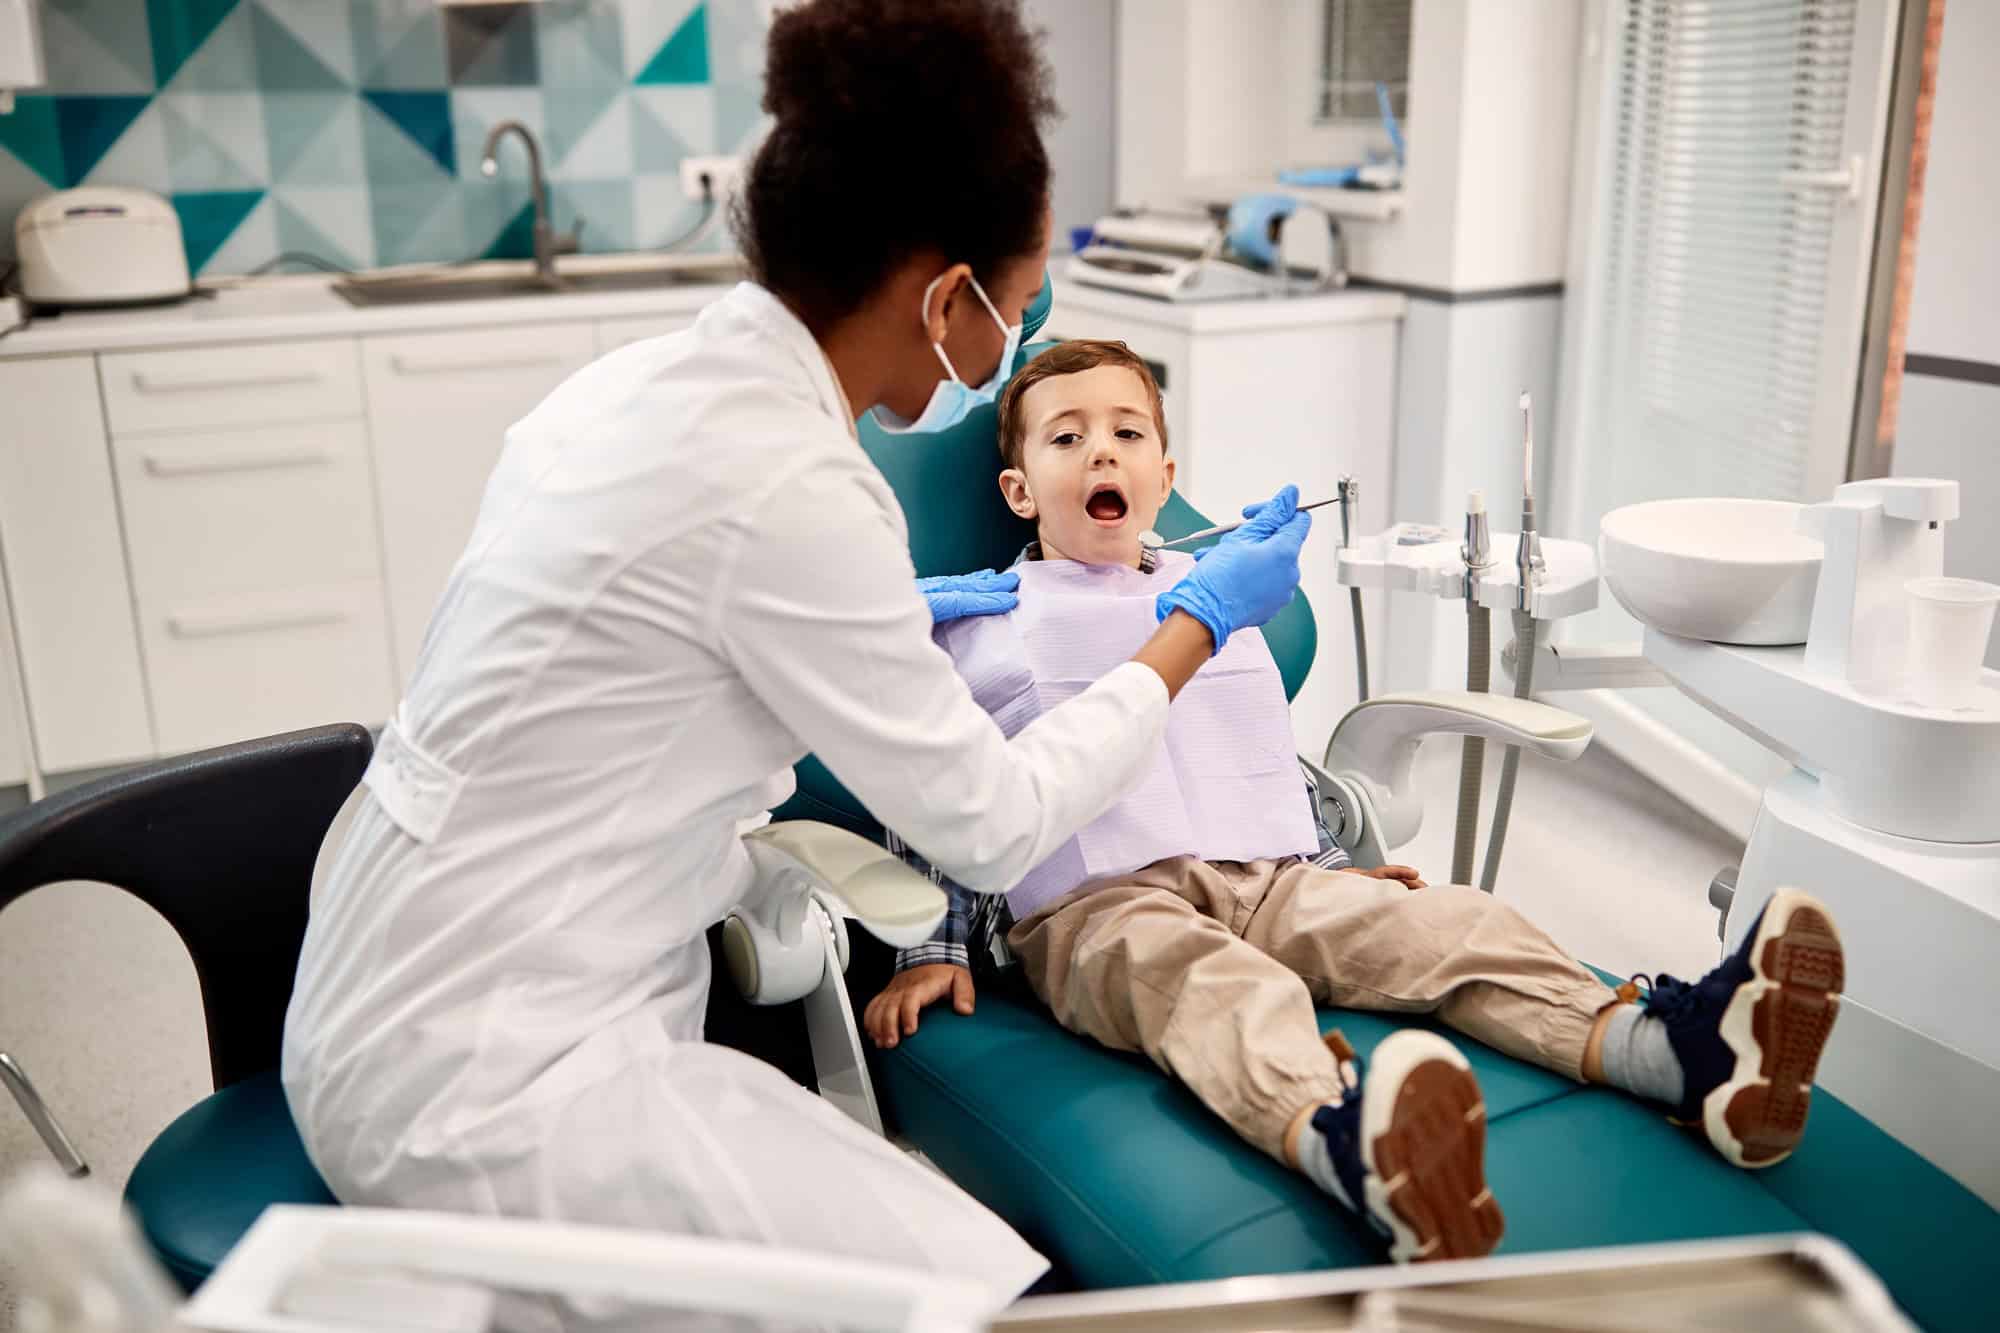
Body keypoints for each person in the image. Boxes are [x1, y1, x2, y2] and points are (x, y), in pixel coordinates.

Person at [280, 4, 1313, 1327]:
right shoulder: (792, 490)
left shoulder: (631, 388)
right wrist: (1197, 623)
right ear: (947, 298)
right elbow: (993, 824)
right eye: (1020, 296)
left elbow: (628, 702)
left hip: (415, 964)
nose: (1022, 335)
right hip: (489, 1069)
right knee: (980, 1293)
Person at [863, 340, 1849, 1263]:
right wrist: (930, 946)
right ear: (1018, 488)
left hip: (1267, 875)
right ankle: (1353, 1147)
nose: (1099, 452)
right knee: (1210, 985)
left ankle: (1669, 1055)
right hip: (1094, 904)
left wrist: (1337, 864)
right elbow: (942, 793)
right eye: (1065, 436)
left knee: (1447, 921)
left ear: (1164, 476)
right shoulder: (982, 621)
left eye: (1126, 431)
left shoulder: (1215, 589)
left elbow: (1241, 748)